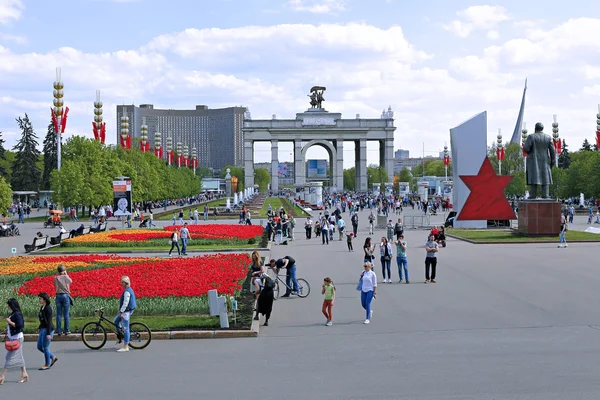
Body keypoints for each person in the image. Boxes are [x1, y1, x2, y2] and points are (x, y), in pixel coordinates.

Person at [0, 298, 28, 384]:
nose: (8, 306)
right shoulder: (13, 313)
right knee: (18, 356)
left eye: (9, 304)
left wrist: (10, 322)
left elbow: (20, 326)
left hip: (17, 338)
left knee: (9, 357)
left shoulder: (17, 314)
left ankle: (2, 376)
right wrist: (7, 329)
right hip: (14, 337)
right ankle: (24, 373)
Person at [115, 276, 136, 352]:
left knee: (126, 328)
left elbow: (125, 303)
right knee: (116, 321)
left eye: (122, 282)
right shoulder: (128, 290)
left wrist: (121, 311)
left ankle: (126, 346)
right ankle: (120, 336)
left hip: (126, 311)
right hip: (125, 310)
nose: (121, 283)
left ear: (126, 283)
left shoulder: (127, 292)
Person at [37, 292, 57, 370]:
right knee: (39, 347)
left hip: (48, 329)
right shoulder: (42, 307)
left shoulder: (48, 308)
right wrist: (39, 327)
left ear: (44, 299)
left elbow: (49, 321)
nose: (39, 300)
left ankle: (47, 364)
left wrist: (48, 334)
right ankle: (53, 357)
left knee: (45, 347)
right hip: (43, 329)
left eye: (40, 299)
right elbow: (42, 320)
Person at [54, 265, 72, 336]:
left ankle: (59, 331)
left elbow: (55, 285)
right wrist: (66, 274)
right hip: (65, 296)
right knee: (66, 314)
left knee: (58, 314)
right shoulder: (65, 276)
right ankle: (66, 330)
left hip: (58, 296)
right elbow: (70, 281)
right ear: (64, 271)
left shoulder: (56, 278)